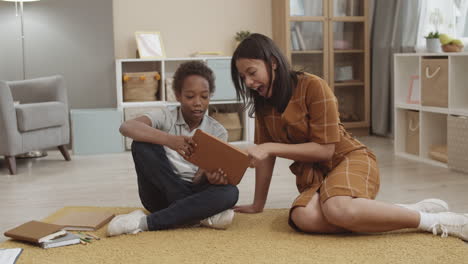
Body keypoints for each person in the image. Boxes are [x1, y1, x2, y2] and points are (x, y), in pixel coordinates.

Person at [230, 33, 468, 241]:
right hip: (316, 175)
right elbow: (264, 157)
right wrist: (257, 204)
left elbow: (325, 150)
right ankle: (393, 211)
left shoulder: (312, 86)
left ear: (272, 63)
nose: (249, 83)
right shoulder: (263, 105)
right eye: (243, 78)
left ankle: (435, 221)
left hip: (349, 158)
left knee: (336, 208)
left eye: (251, 73)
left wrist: (271, 147)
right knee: (303, 217)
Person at [107, 61, 239, 236]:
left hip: (193, 191)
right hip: (160, 193)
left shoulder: (218, 131)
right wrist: (170, 140)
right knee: (141, 144)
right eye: (190, 96)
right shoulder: (165, 116)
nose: (198, 103)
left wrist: (210, 177)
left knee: (231, 192)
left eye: (204, 97)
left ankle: (145, 222)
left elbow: (199, 178)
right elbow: (126, 127)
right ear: (178, 95)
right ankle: (199, 215)